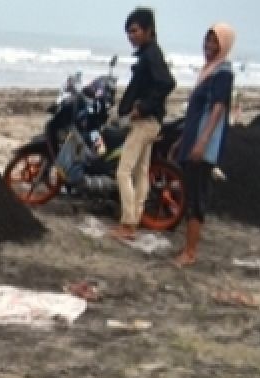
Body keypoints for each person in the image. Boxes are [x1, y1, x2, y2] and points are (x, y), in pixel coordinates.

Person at [111, 8, 175, 242]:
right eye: (128, 32)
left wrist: (143, 107)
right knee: (140, 172)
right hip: (149, 122)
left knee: (122, 171)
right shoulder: (147, 53)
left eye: (135, 30)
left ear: (149, 30)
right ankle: (134, 220)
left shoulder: (151, 55)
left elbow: (167, 83)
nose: (131, 36)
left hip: (146, 122)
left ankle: (128, 223)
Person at [174, 24, 235, 267]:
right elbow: (197, 111)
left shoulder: (222, 73)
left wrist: (202, 141)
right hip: (193, 140)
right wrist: (183, 139)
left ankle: (190, 253)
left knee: (197, 195)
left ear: (225, 46)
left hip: (203, 144)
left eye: (215, 43)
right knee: (189, 192)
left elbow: (217, 109)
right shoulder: (209, 70)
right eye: (207, 41)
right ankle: (188, 248)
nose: (209, 47)